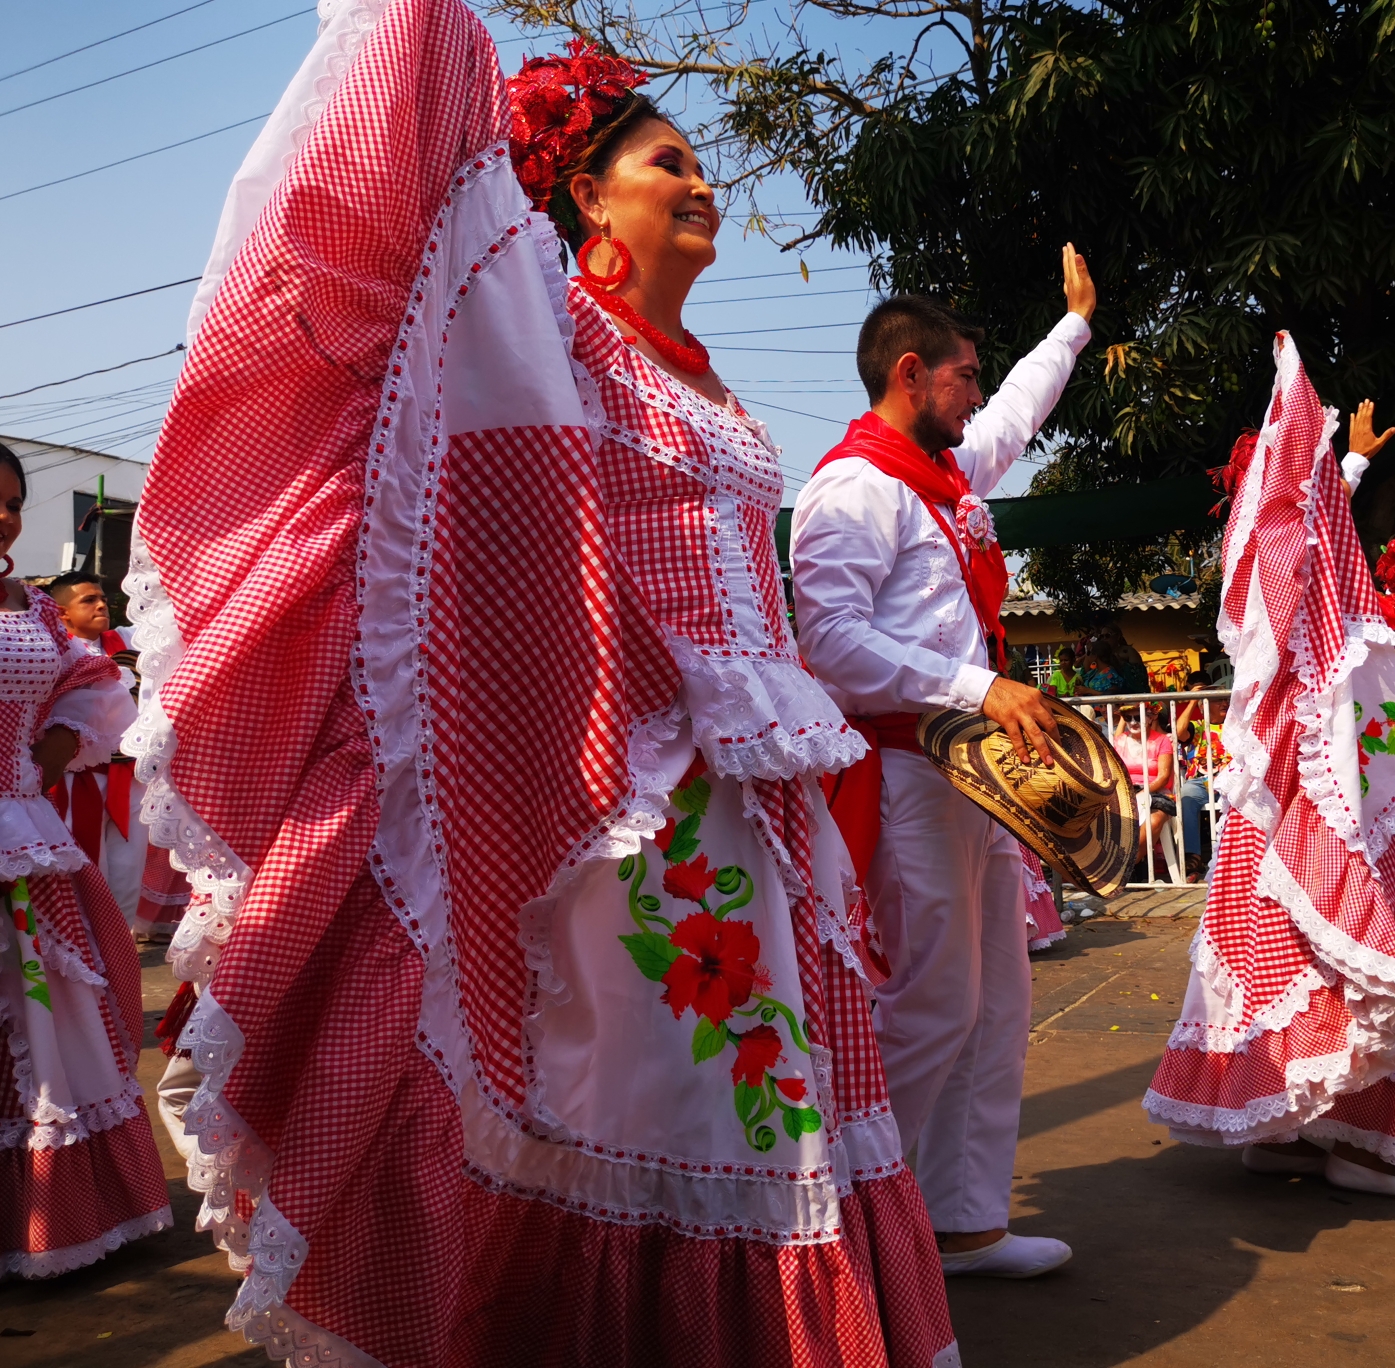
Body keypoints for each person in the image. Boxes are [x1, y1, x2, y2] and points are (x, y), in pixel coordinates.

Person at [130, 12, 957, 1363]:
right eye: (669, 161)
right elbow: (427, 327)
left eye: (705, 168)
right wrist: (423, 36)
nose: (704, 185)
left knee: (775, 1102)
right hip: (634, 820)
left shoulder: (718, 394)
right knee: (675, 1110)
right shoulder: (547, 337)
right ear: (582, 194)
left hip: (761, 816)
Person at [1146, 338, 1395, 1202]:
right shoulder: (1306, 600)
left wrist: (1349, 459)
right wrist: (1342, 463)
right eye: (1315, 472)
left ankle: (1290, 1128)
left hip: (1294, 815)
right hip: (1341, 806)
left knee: (1293, 962)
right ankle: (1364, 1144)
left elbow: (1308, 536)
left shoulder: (1273, 591)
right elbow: (1315, 551)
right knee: (1389, 949)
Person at [791, 254, 1096, 1278]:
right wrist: (982, 692)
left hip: (977, 779)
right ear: (912, 375)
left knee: (997, 1006)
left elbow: (1014, 414)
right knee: (929, 1006)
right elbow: (829, 643)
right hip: (909, 772)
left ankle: (963, 1226)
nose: (977, 392)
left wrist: (1075, 328)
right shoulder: (852, 488)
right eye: (966, 374)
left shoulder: (946, 479)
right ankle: (853, 1233)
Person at [0, 444, 171, 1275]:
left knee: (51, 1008)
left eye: (9, 502)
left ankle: (50, 1218)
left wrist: (47, 754)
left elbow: (96, 679)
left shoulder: (32, 612)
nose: (1, 515)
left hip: (25, 836)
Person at [44, 571, 148, 930]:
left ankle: (118, 947)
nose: (101, 604)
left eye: (101, 597)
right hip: (78, 779)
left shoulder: (126, 641)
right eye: (88, 600)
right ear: (62, 613)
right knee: (84, 868)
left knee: (127, 870)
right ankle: (86, 951)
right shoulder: (51, 650)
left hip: (131, 776)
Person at [1113, 705, 1177, 879]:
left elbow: (1163, 777)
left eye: (1138, 717)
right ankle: (1126, 870)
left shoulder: (1162, 740)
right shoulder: (1119, 741)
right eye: (1128, 718)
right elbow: (1113, 773)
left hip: (1156, 793)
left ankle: (1123, 869)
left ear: (1150, 718)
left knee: (1153, 821)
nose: (1133, 722)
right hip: (1124, 793)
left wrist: (1143, 792)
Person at [1174, 675, 1228, 880]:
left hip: (1230, 779)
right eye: (1217, 699)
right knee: (1186, 795)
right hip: (1199, 781)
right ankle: (1192, 860)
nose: (1224, 703)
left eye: (1225, 699)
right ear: (1205, 705)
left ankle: (1229, 858)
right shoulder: (1196, 725)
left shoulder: (1236, 724)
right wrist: (1192, 701)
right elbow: (1179, 732)